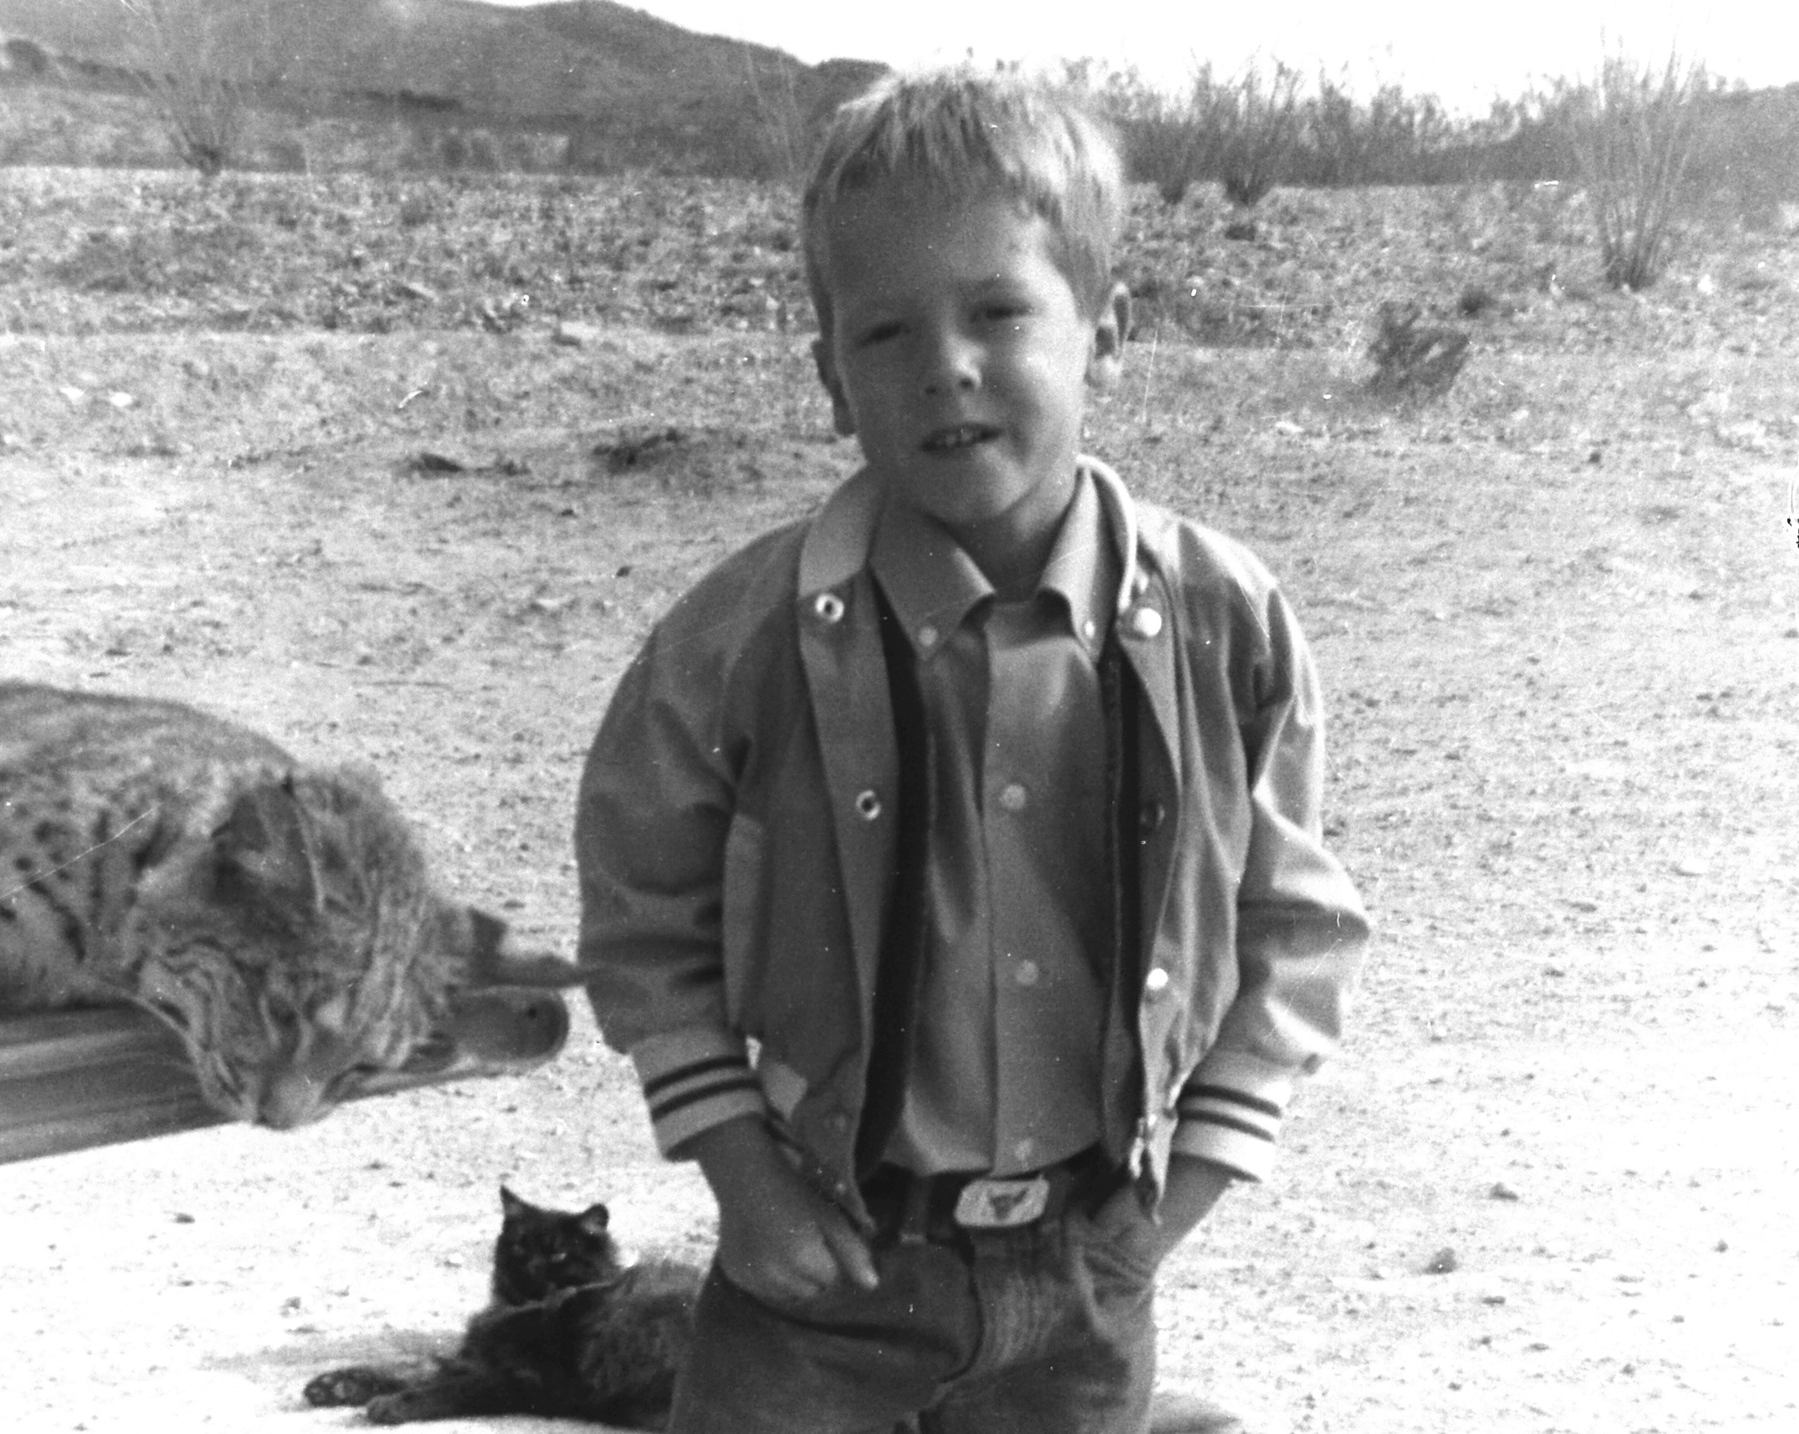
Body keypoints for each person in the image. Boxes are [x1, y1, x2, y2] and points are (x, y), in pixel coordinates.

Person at [574, 65, 1370, 1434]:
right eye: (886, 332)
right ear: (830, 377)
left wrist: (1163, 1219)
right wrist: (738, 1172)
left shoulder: (1223, 625)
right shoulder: (742, 640)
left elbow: (1295, 926)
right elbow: (641, 910)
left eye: (1000, 310)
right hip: (816, 1275)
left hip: (1088, 1271)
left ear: (1105, 332)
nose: (946, 362)